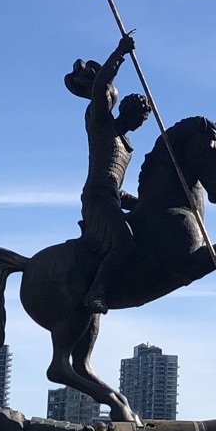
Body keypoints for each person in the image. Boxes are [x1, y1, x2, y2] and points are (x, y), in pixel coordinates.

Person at [65, 33, 151, 315]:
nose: (138, 122)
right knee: (125, 242)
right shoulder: (102, 123)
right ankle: (96, 293)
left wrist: (141, 204)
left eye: (142, 120)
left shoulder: (127, 146)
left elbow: (116, 187)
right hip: (96, 200)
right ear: (123, 109)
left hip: (110, 199)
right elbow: (101, 84)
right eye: (136, 115)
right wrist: (119, 52)